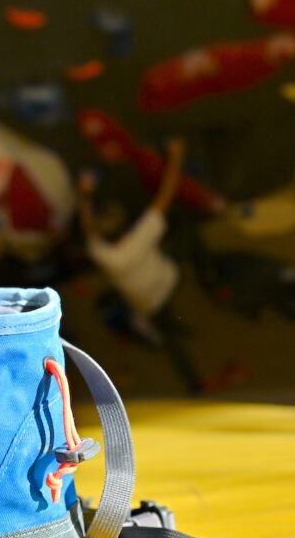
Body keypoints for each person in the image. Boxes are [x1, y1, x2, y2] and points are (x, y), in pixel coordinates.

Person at [77, 137, 203, 392]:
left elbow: (89, 231)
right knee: (188, 232)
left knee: (170, 339)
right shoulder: (140, 237)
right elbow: (166, 195)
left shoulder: (103, 254)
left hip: (149, 304)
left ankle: (194, 383)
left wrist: (85, 195)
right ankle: (209, 275)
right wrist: (176, 156)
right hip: (171, 278)